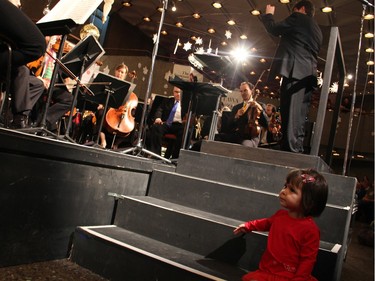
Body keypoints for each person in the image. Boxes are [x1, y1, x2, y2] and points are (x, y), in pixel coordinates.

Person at [234, 168, 328, 281]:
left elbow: (307, 260)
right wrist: (249, 226)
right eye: (285, 186)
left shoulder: (310, 230)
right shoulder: (280, 215)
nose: (284, 191)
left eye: (292, 190)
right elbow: (266, 223)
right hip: (268, 271)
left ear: (309, 202)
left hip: (290, 276)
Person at [260, 0, 323, 153]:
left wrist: (269, 15)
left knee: (289, 111)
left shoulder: (298, 18)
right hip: (308, 75)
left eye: (294, 10)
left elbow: (274, 29)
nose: (292, 13)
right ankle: (296, 146)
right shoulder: (318, 30)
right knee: (300, 115)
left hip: (295, 71)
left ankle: (289, 149)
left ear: (302, 8)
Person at [215, 82, 264, 147]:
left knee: (244, 146)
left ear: (252, 91)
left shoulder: (260, 106)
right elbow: (229, 126)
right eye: (241, 91)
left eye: (245, 90)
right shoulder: (237, 107)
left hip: (250, 138)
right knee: (214, 137)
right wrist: (236, 116)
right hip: (236, 136)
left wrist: (259, 108)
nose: (243, 93)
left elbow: (266, 123)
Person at [148, 86, 185, 159]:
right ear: (173, 92)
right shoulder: (168, 101)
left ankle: (175, 158)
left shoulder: (186, 104)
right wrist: (158, 118)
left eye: (180, 92)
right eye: (176, 92)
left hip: (179, 125)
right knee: (156, 127)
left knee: (184, 132)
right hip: (167, 123)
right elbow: (160, 109)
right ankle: (156, 155)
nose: (178, 94)